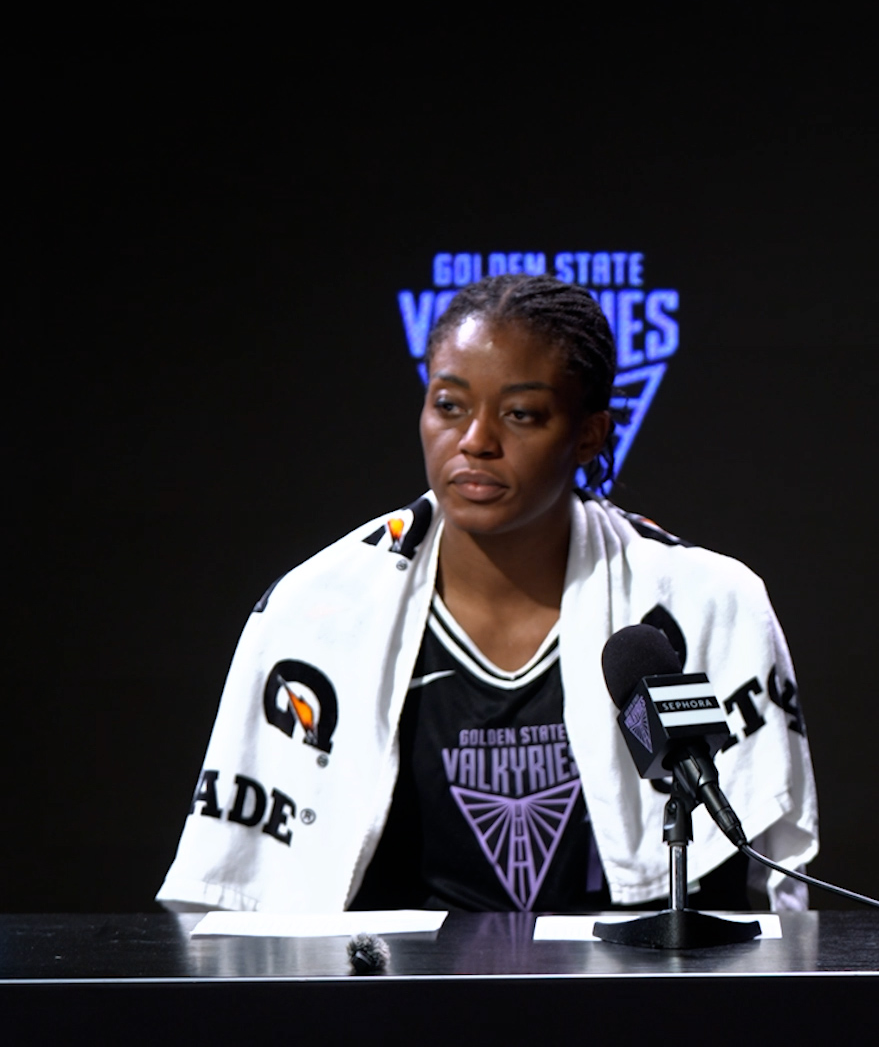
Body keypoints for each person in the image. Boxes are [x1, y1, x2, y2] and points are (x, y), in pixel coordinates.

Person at [159, 274, 817, 913]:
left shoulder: (708, 603)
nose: (475, 441)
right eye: (449, 405)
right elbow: (239, 896)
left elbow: (755, 893)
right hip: (390, 1011)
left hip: (632, 1008)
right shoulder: (314, 612)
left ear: (590, 434)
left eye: (521, 414)